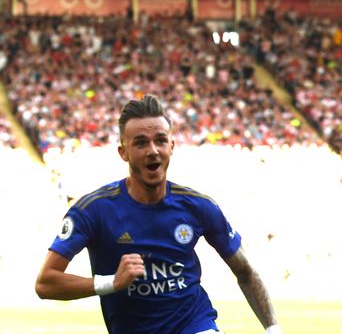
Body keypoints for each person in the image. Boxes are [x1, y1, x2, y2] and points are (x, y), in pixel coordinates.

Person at [35, 95, 282, 334]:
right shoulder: (93, 210)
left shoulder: (198, 206)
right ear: (124, 152)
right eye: (141, 143)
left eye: (160, 140)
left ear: (171, 146)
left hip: (194, 324)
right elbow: (46, 283)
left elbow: (245, 271)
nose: (153, 150)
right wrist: (112, 282)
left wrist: (274, 330)